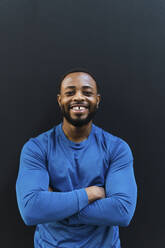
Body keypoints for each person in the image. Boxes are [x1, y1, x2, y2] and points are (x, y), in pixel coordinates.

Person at [16, 69, 137, 248]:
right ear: (60, 100)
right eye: (70, 92)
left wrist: (55, 205)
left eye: (87, 93)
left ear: (97, 100)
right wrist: (89, 194)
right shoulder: (36, 148)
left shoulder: (117, 148)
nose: (78, 97)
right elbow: (31, 210)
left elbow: (122, 212)